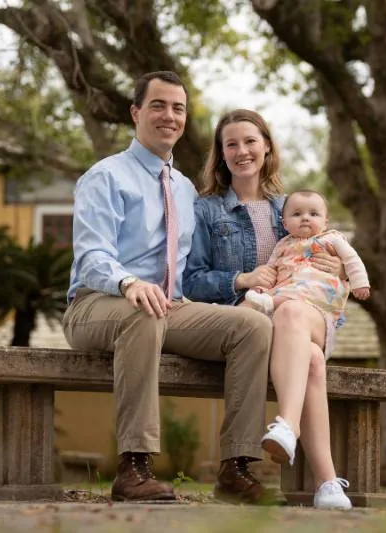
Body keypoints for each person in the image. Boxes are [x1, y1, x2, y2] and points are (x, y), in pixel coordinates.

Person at [63, 73, 274, 505]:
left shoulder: (183, 189)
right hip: (97, 304)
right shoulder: (105, 177)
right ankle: (134, 467)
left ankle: (236, 469)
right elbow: (91, 256)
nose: (169, 116)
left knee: (252, 328)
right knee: (145, 311)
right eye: (158, 105)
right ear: (136, 113)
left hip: (170, 307)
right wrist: (128, 282)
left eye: (178, 108)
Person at [183, 109, 357, 510]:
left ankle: (288, 427)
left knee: (294, 313)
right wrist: (241, 280)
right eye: (231, 144)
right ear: (221, 155)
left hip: (304, 313)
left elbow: (339, 263)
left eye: (250, 141)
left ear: (266, 147)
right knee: (312, 360)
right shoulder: (207, 210)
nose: (242, 151)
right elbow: (190, 282)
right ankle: (328, 484)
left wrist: (341, 273)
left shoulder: (292, 208)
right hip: (247, 319)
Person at [243, 189, 370, 320]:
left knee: (298, 291)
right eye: (297, 214)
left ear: (325, 222)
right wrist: (261, 287)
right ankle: (267, 304)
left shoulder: (331, 239)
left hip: (320, 289)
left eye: (313, 214)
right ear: (285, 224)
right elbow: (270, 269)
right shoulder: (283, 244)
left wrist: (360, 283)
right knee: (258, 301)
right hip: (287, 288)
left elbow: (352, 259)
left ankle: (270, 303)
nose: (305, 218)